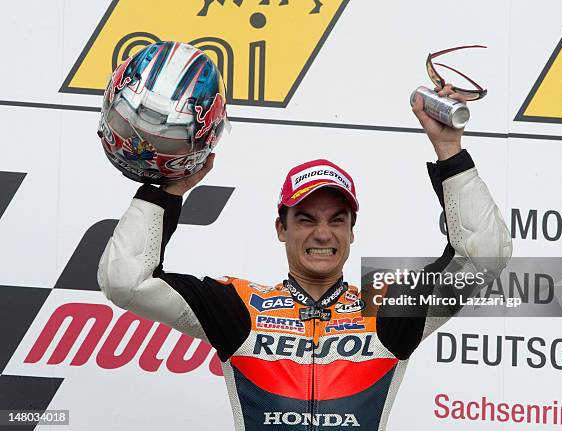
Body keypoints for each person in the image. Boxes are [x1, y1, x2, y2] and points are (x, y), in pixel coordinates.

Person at [98, 85, 512, 430]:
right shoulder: (239, 308)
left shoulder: (387, 310)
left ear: (352, 231)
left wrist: (450, 151)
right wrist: (164, 191)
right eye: (306, 218)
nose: (322, 233)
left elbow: (483, 256)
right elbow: (126, 281)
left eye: (337, 220)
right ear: (282, 229)